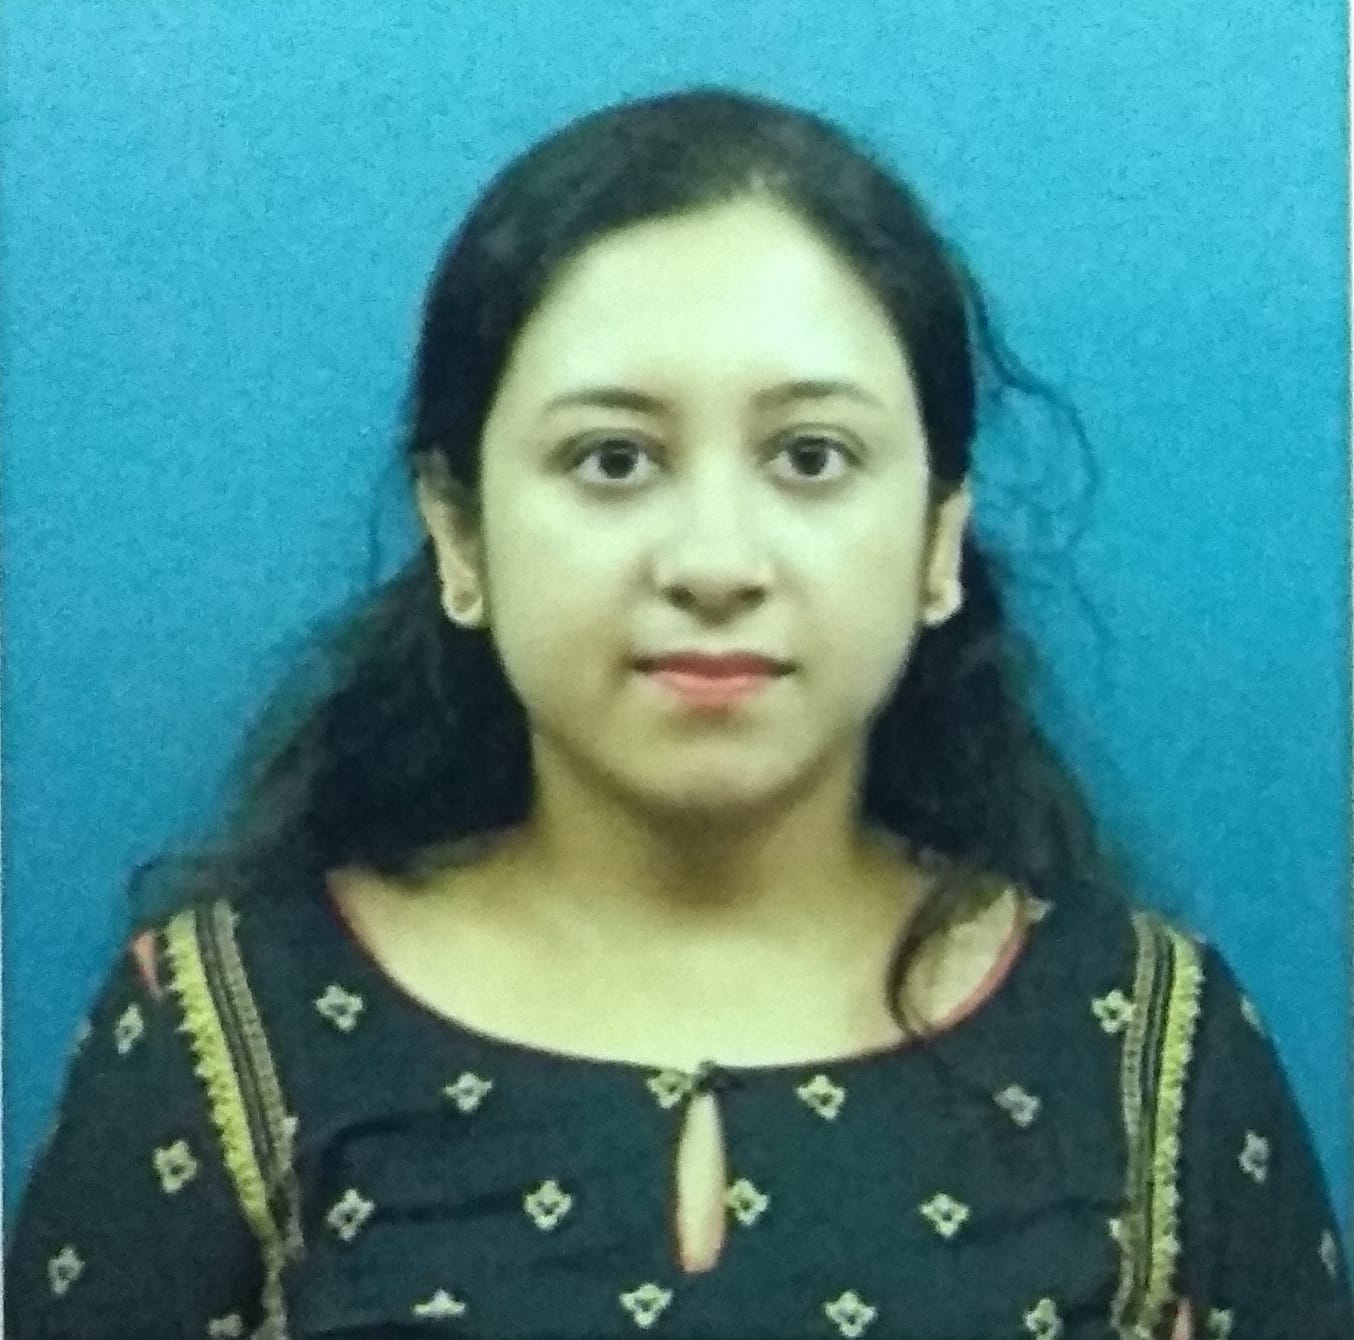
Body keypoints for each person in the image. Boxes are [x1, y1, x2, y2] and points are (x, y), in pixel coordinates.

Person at [5, 85, 1350, 1340]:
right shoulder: (227, 1028)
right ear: (459, 533)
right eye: (613, 460)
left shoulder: (1148, 1044)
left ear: (939, 537)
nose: (714, 561)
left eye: (810, 457)